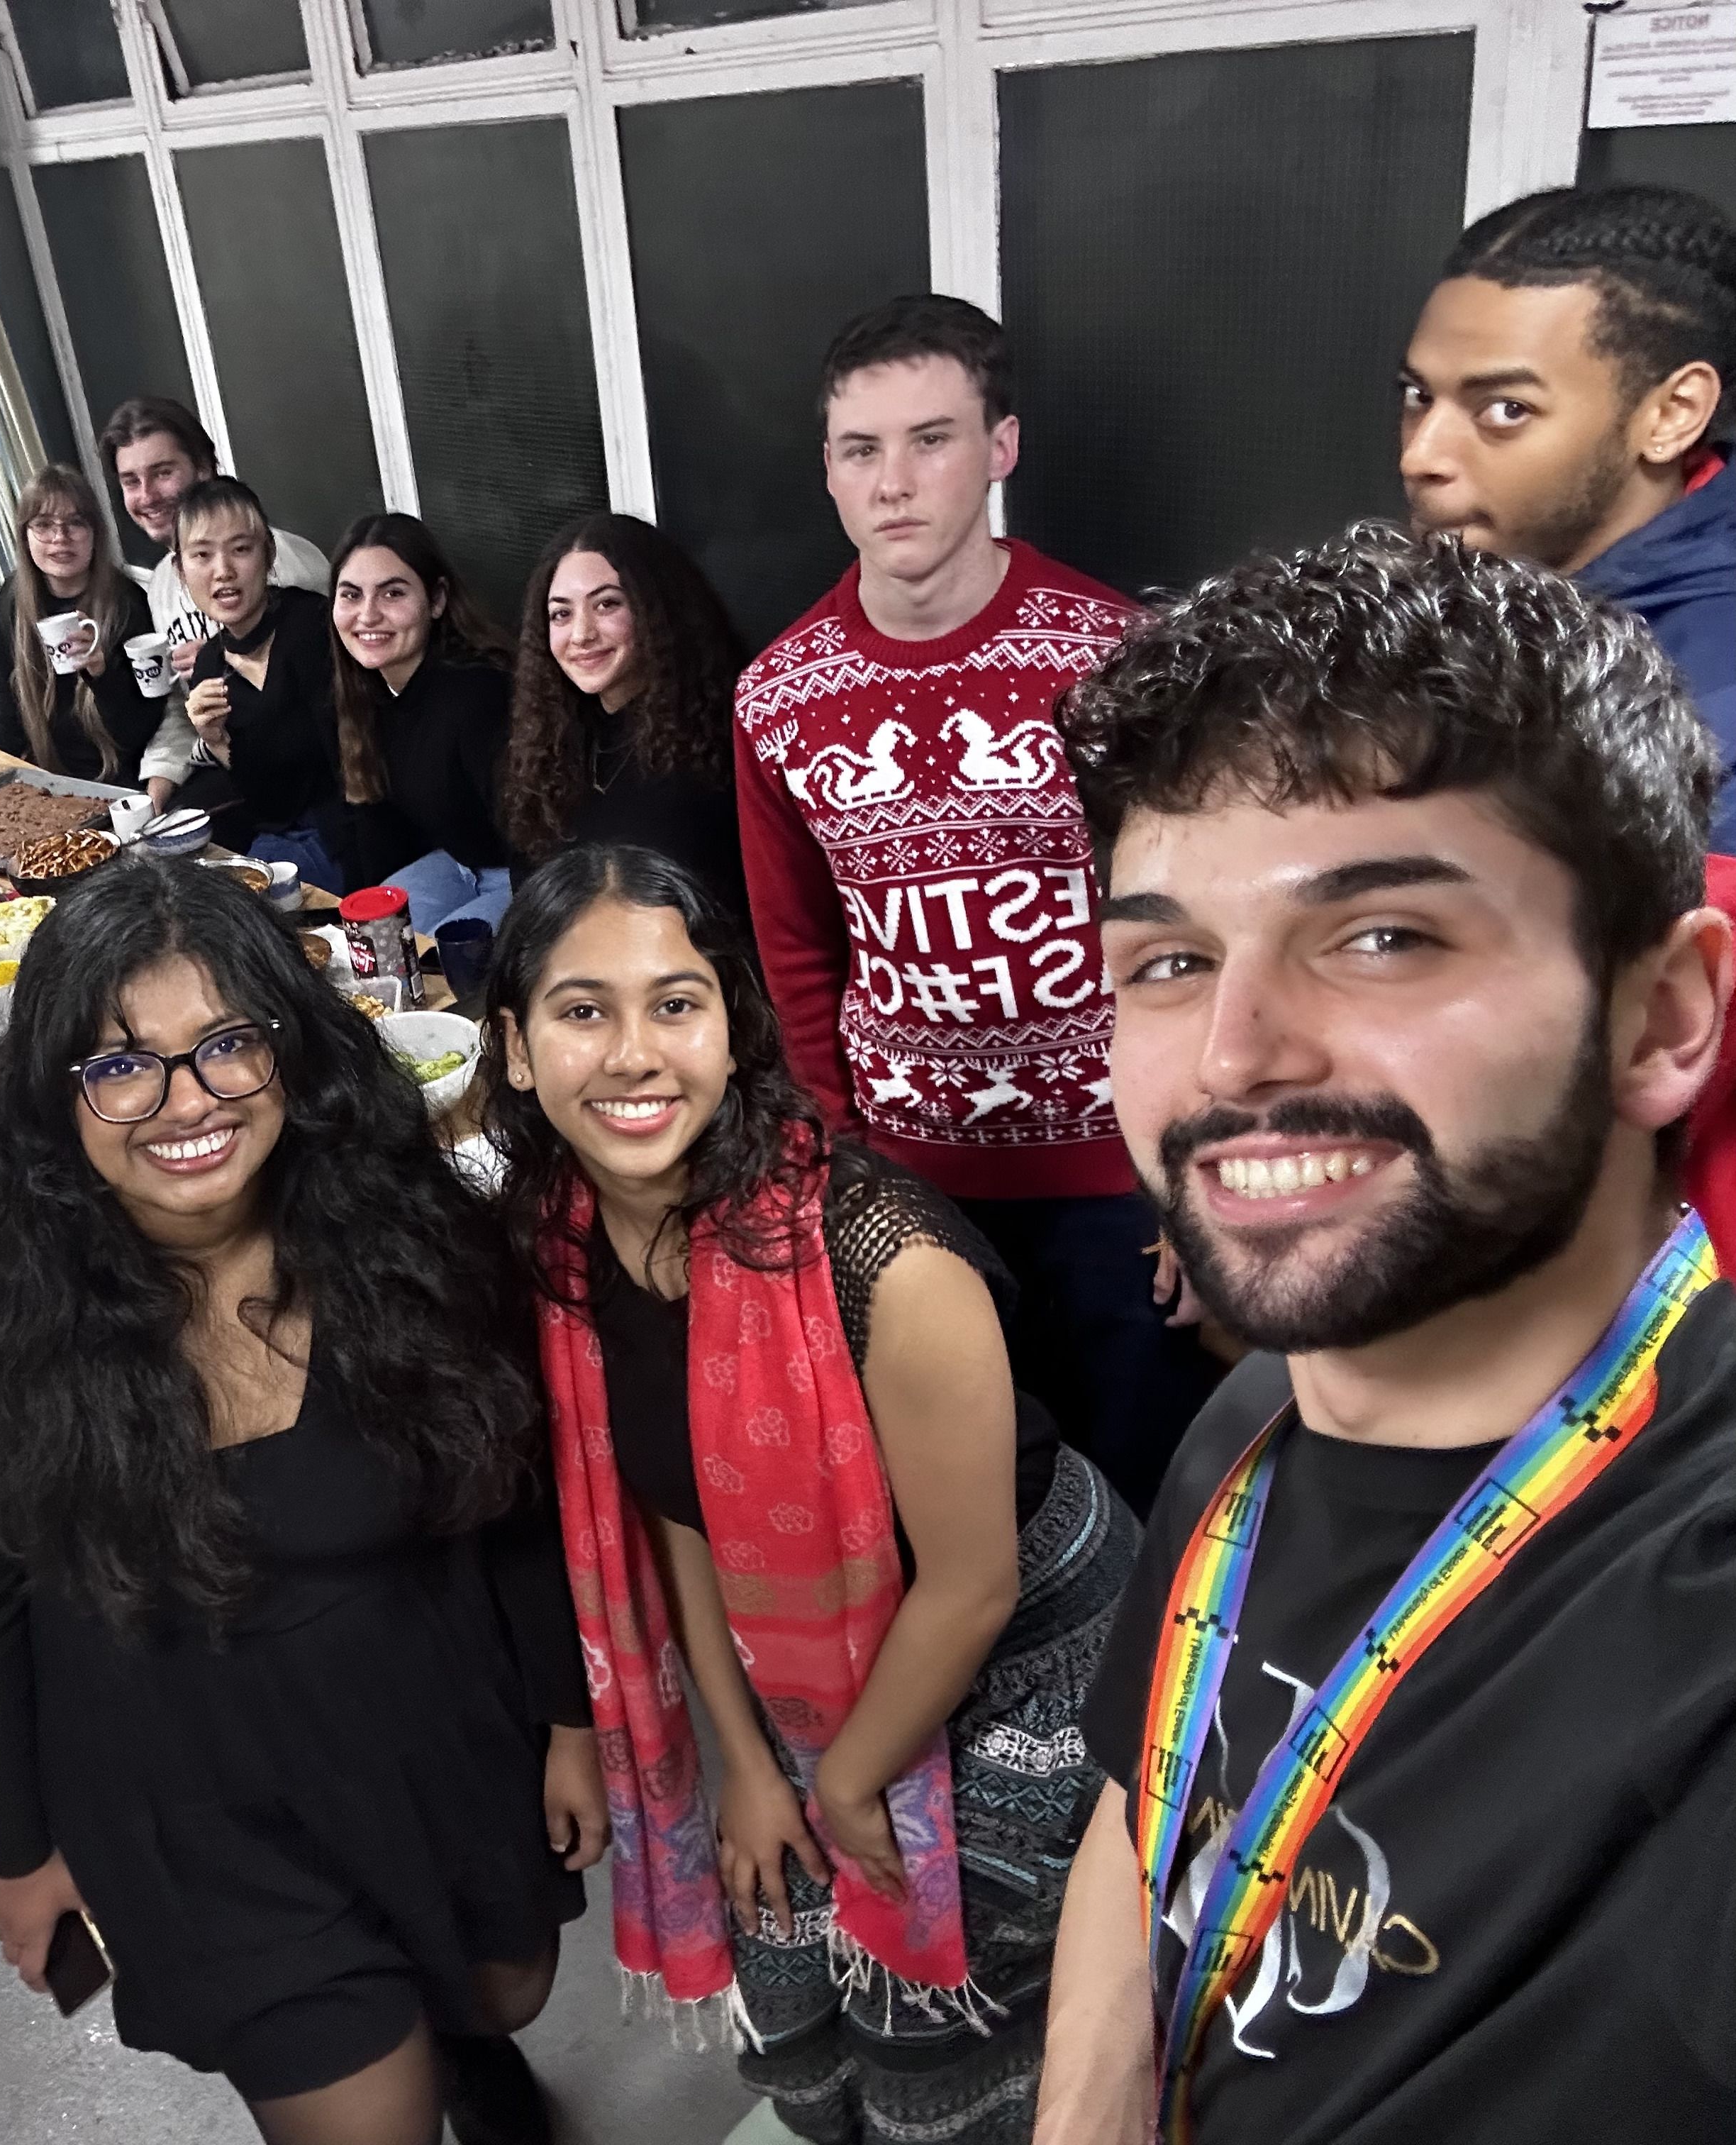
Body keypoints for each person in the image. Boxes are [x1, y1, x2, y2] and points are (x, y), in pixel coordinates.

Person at [1033, 525, 1736, 2145]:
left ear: (1666, 1013)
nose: (1230, 1053)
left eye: (1382, 936)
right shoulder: (1254, 1420)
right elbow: (1150, 1811)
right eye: (1167, 960)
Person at [0, 855, 601, 2145]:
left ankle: (462, 2052)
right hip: (187, 1796)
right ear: (57, 1091)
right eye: (120, 1063)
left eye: (225, 1046)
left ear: (293, 1052)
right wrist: (14, 1852)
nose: (182, 1101)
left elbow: (510, 1495)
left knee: (503, 1989)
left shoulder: (407, 1230)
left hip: (434, 1729)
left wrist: (565, 1717)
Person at [482, 844, 1139, 2145]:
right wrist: (749, 1767)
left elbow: (973, 1581)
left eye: (675, 1002)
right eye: (581, 1009)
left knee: (935, 2029)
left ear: (733, 1026)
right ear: (512, 1047)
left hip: (1019, 1658)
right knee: (789, 1962)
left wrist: (842, 1785)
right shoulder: (565, 1230)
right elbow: (674, 1503)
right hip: (808, 1656)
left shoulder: (881, 1257)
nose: (632, 1054)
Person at [734, 293, 1217, 1514]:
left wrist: (1199, 1179)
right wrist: (841, 1174)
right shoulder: (777, 697)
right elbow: (796, 955)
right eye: (861, 449)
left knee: (1145, 1495)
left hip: (1121, 1190)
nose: (895, 481)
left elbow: (1208, 934)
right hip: (911, 1189)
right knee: (970, 1513)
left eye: (931, 438)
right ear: (829, 474)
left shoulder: (1121, 657)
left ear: (1001, 448)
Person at [1401, 182, 1735, 840]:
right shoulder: (1475, 588)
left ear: (1671, 415)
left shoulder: (1713, 718)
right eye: (1417, 395)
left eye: (1506, 410)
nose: (1421, 456)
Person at [505, 513, 748, 920]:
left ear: (658, 611)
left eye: (607, 605)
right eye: (561, 614)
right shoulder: (549, 738)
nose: (582, 634)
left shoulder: (721, 741)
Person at [95, 397, 333, 810]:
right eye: (131, 481)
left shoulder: (286, 568)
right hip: (222, 760)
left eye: (163, 473)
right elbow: (181, 710)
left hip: (306, 785)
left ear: (203, 468)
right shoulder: (163, 585)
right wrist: (153, 798)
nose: (147, 496)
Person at [330, 512, 514, 933]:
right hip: (455, 865)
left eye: (392, 594)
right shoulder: (364, 690)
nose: (368, 615)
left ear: (436, 600)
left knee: (444, 968)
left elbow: (540, 847)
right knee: (374, 943)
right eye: (351, 595)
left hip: (522, 877)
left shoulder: (479, 692)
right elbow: (374, 827)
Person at [167, 476, 346, 891]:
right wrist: (215, 741)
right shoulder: (210, 662)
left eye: (241, 549)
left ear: (268, 553)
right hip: (284, 835)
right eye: (202, 555)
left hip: (354, 832)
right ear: (181, 570)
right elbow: (268, 800)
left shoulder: (312, 624)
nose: (223, 571)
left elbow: (344, 763)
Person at [0, 466, 159, 786]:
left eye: (75, 523)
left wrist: (102, 676)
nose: (59, 538)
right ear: (24, 535)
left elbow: (141, 732)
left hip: (121, 779)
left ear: (96, 533)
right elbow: (8, 702)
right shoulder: (14, 599)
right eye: (43, 524)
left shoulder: (127, 604)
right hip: (50, 778)